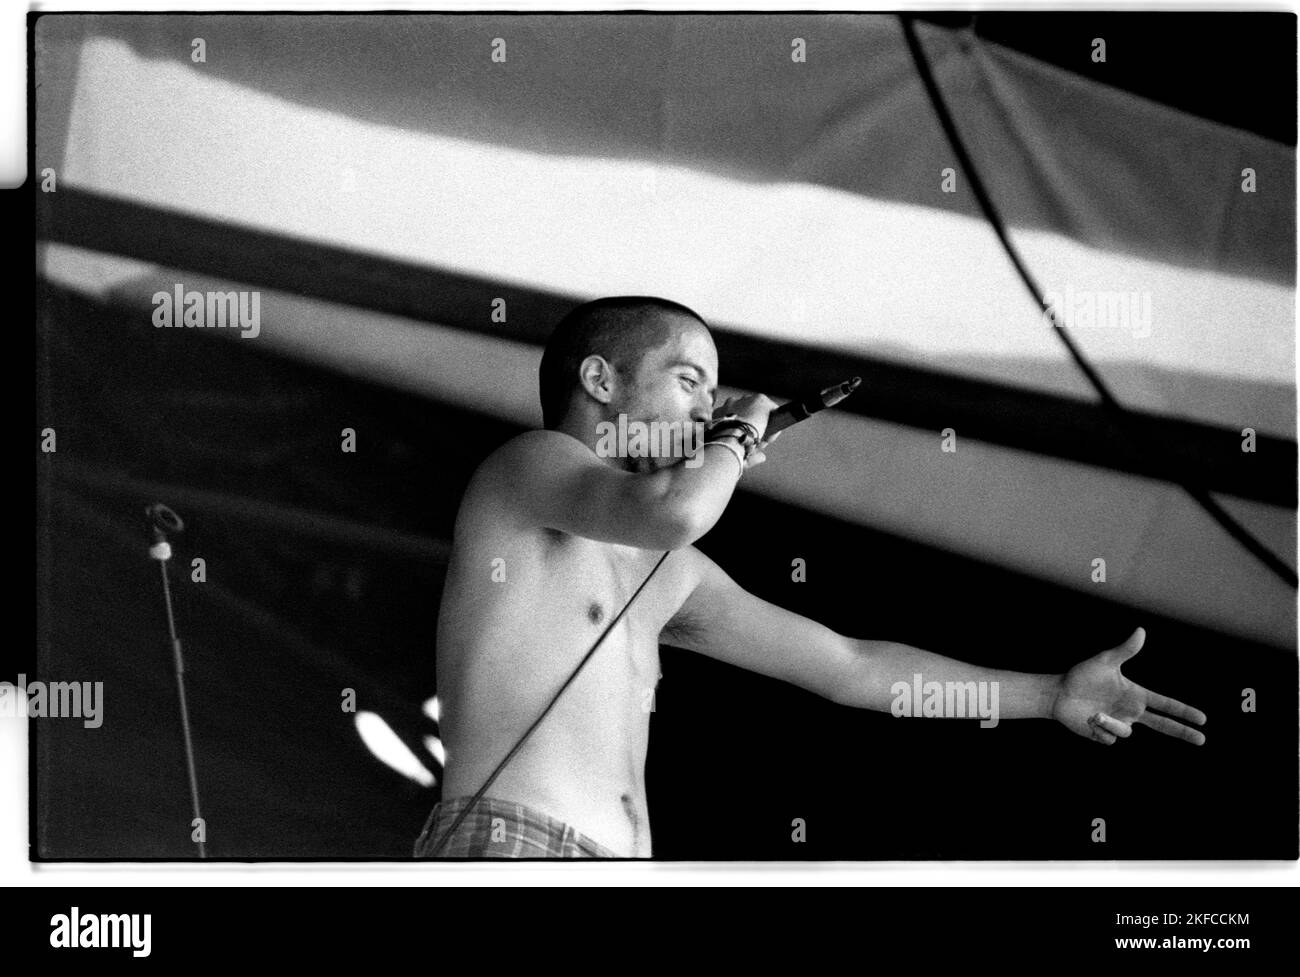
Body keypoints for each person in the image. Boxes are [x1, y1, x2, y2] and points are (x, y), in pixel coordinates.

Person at [414, 296, 1207, 859]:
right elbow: (679, 510)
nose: (707, 410)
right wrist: (731, 439)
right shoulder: (531, 465)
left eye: (715, 397)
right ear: (600, 381)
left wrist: (1046, 694)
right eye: (690, 381)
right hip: (510, 841)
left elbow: (851, 668)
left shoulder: (671, 574)